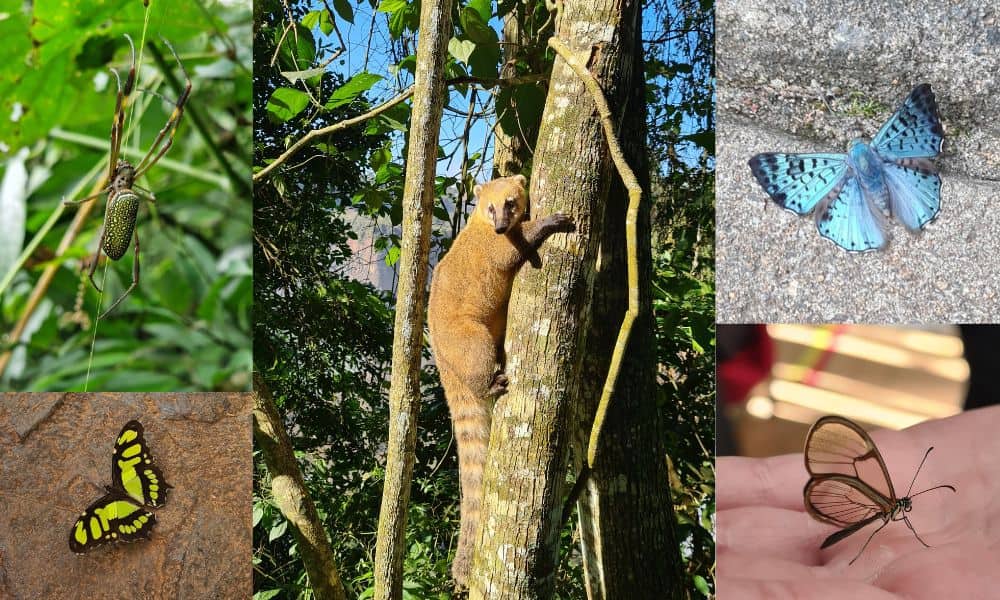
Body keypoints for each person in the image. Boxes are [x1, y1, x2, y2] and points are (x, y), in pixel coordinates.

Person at [716, 404, 1000, 598]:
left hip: (851, 506)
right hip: (844, 502)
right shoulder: (890, 503)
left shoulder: (892, 506)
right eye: (906, 506)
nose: (906, 508)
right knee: (875, 522)